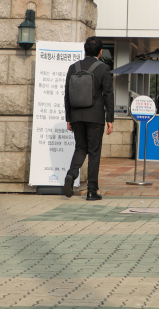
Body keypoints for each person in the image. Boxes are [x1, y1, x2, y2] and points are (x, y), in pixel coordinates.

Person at [63, 36, 114, 200]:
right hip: (95, 116)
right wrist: (110, 119)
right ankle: (92, 191)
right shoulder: (103, 68)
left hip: (76, 114)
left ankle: (71, 173)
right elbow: (108, 94)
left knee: (80, 148)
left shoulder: (73, 68)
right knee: (94, 152)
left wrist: (68, 117)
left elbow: (67, 95)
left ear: (85, 50)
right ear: (100, 52)